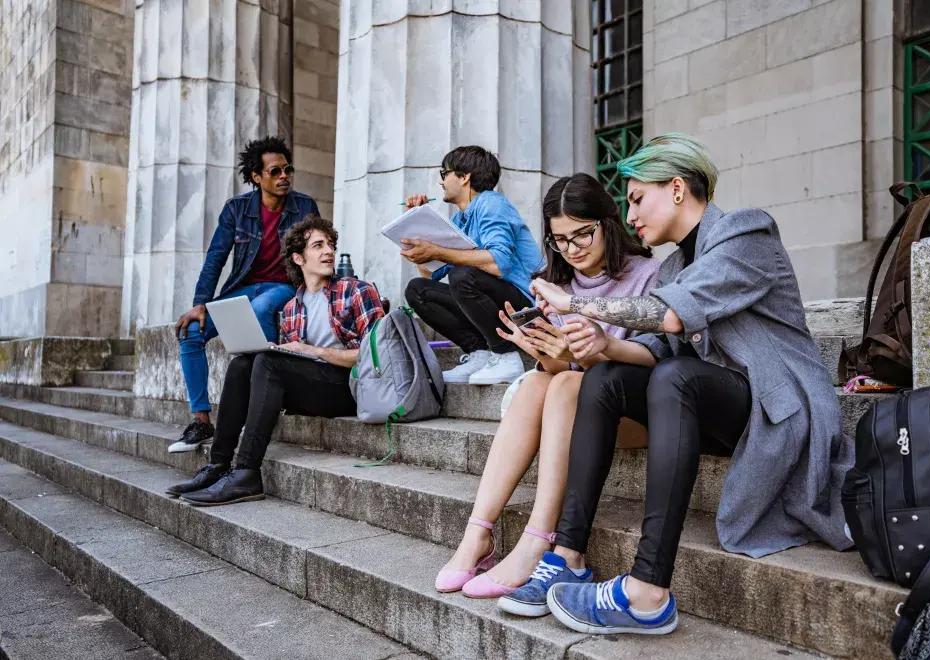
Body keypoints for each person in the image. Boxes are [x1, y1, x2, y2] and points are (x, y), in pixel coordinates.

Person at [524, 133, 852, 635]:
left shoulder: (746, 233)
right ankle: (568, 552)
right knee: (607, 378)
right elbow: (654, 349)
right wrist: (601, 346)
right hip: (720, 408)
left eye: (637, 198)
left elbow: (673, 318)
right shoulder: (676, 265)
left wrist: (576, 304)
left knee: (676, 379)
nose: (629, 216)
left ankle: (648, 591)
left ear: (677, 188)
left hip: (780, 407)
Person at [434, 175, 661, 614]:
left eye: (583, 233)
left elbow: (648, 365)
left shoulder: (648, 276)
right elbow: (561, 372)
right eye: (560, 240)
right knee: (543, 379)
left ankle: (539, 538)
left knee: (567, 381)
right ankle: (477, 533)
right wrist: (543, 349)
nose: (573, 249)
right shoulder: (556, 285)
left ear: (608, 223)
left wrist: (575, 360)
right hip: (575, 409)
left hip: (636, 413)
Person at [164, 216, 384, 506]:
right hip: (312, 387)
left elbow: (378, 354)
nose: (328, 251)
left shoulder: (356, 291)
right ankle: (218, 466)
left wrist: (314, 351)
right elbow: (292, 363)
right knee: (243, 364)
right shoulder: (292, 307)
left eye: (330, 244)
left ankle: (246, 473)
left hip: (350, 387)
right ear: (298, 258)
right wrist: (279, 350)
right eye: (318, 246)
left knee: (269, 363)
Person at [168, 137, 320, 454]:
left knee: (262, 307)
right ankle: (201, 420)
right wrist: (200, 304)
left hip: (284, 287)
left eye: (287, 169)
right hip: (241, 289)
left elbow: (319, 251)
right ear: (256, 176)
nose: (284, 176)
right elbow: (215, 259)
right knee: (190, 332)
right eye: (275, 171)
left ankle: (261, 402)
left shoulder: (304, 207)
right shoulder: (237, 210)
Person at [402, 146, 543, 385]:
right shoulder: (460, 219)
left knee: (463, 275)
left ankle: (506, 356)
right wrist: (416, 223)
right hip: (496, 303)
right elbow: (431, 273)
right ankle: (480, 352)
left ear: (464, 176)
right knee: (418, 290)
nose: (441, 181)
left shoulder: (492, 203)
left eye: (444, 173)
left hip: (527, 309)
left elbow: (500, 263)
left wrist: (438, 250)